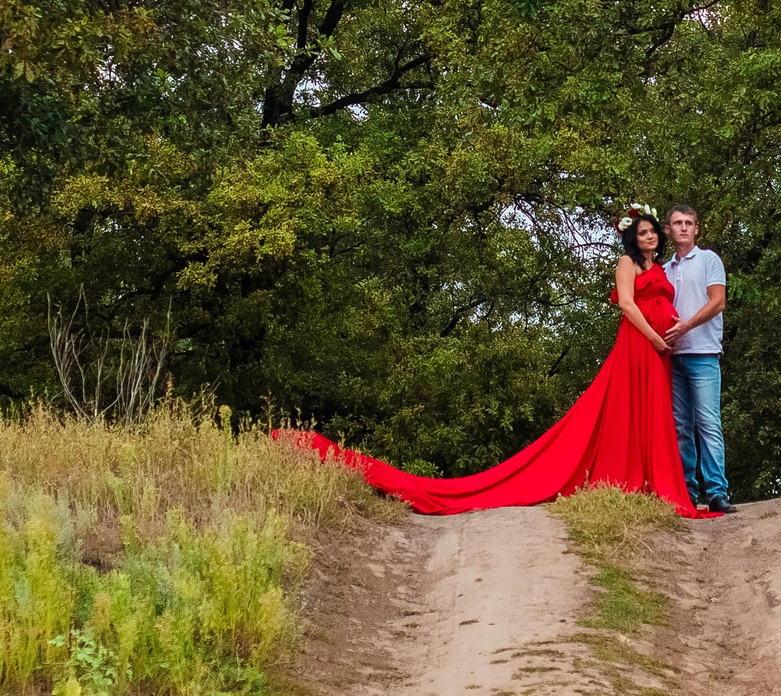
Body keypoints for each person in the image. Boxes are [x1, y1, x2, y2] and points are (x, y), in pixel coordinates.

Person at [278, 207, 708, 517]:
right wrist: (654, 337)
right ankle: (627, 475)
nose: (650, 236)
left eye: (655, 232)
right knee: (621, 412)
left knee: (658, 416)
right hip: (638, 347)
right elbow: (628, 307)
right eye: (644, 232)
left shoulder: (665, 267)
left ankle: (656, 482)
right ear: (632, 236)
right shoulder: (626, 263)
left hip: (659, 354)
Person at [662, 205, 732, 513]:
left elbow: (718, 302)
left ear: (697, 228)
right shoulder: (664, 269)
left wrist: (686, 326)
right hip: (674, 357)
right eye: (678, 223)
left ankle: (717, 492)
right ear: (668, 230)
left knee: (708, 424)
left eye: (689, 223)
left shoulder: (708, 260)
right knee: (681, 428)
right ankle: (687, 492)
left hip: (703, 353)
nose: (684, 228)